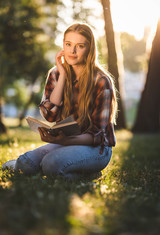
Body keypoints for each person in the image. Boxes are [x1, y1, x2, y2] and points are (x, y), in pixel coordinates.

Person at [2, 23, 117, 180]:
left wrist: (63, 140)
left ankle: (89, 173)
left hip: (96, 148)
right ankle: (69, 169)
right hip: (67, 142)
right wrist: (62, 76)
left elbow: (97, 135)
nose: (72, 51)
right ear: (63, 44)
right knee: (25, 164)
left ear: (89, 49)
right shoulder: (56, 74)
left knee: (51, 164)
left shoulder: (101, 81)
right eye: (68, 44)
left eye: (80, 46)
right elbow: (50, 116)